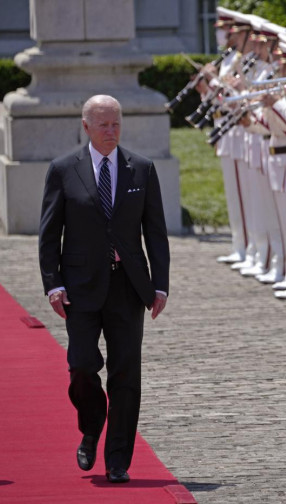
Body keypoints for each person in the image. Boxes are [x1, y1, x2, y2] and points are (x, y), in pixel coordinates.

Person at [38, 94, 170, 484]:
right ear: (86, 127)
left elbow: (156, 233)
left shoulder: (141, 169)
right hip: (79, 286)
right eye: (103, 125)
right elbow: (49, 234)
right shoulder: (64, 169)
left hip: (128, 286)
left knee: (126, 373)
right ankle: (92, 425)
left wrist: (160, 285)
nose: (111, 131)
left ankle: (117, 460)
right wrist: (52, 284)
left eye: (116, 124)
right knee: (81, 366)